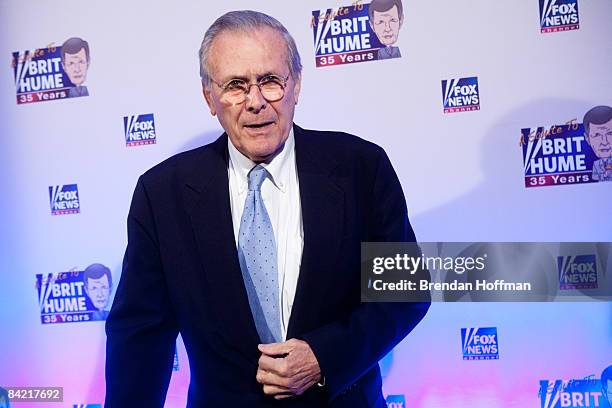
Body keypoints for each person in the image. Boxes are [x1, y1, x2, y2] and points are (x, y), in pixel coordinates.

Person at [105, 10, 429, 407]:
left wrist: (323, 356)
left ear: (296, 85)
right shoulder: (162, 194)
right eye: (236, 85)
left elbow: (405, 293)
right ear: (209, 96)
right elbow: (139, 335)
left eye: (271, 81)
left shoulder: (362, 168)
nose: (255, 102)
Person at [583, 105, 612, 182]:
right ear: (588, 139)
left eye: (610, 133)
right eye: (597, 135)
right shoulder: (596, 165)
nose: (604, 142)